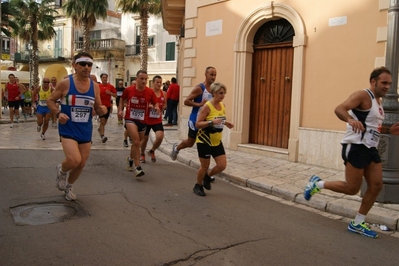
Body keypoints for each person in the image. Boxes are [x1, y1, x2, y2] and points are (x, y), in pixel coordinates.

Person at [304, 66, 399, 238]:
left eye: (390, 84)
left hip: (370, 148)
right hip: (355, 147)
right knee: (351, 188)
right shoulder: (363, 95)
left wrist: (388, 130)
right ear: (373, 81)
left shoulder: (379, 102)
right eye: (384, 83)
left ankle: (357, 223)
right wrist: (350, 119)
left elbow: (373, 127)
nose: (387, 87)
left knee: (377, 185)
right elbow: (339, 108)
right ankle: (316, 184)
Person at [47, 52, 107, 201]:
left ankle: (68, 187)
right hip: (68, 127)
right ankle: (61, 170)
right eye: (82, 64)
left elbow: (98, 107)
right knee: (74, 160)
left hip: (85, 129)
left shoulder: (95, 86)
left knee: (81, 163)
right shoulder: (66, 83)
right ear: (75, 66)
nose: (86, 67)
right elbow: (50, 100)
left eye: (89, 64)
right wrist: (58, 113)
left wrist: (102, 110)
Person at [170, 67, 217, 183]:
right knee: (190, 142)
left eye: (215, 75)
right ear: (205, 74)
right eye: (211, 74)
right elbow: (186, 101)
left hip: (207, 122)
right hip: (196, 120)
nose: (213, 77)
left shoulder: (215, 89)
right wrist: (200, 104)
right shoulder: (199, 88)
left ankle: (205, 173)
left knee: (206, 146)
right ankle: (177, 148)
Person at [193, 82, 234, 196]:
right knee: (204, 166)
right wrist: (211, 122)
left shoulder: (222, 106)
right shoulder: (207, 106)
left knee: (222, 165)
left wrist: (226, 123)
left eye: (224, 93)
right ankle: (198, 185)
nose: (223, 95)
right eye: (221, 93)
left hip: (216, 141)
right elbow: (198, 124)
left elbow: (219, 120)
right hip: (204, 140)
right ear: (214, 93)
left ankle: (207, 176)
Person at [118, 70, 160, 177]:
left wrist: (156, 107)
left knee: (137, 143)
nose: (144, 81)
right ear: (136, 79)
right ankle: (138, 167)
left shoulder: (149, 92)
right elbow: (121, 99)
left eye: (146, 79)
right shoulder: (129, 90)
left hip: (143, 120)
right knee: (136, 141)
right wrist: (120, 110)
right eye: (141, 78)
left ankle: (131, 159)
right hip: (130, 119)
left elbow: (155, 102)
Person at [140, 75, 167, 163]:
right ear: (153, 83)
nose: (159, 84)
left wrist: (163, 107)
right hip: (147, 119)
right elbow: (143, 103)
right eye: (157, 82)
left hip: (157, 119)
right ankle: (142, 153)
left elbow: (165, 104)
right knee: (145, 139)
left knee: (160, 136)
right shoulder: (148, 92)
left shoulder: (164, 93)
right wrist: (151, 106)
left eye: (160, 83)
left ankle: (152, 151)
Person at [98, 73, 117, 143]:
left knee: (104, 122)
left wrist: (110, 93)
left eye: (106, 77)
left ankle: (100, 129)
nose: (105, 79)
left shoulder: (110, 86)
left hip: (108, 106)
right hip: (100, 106)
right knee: (102, 121)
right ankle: (103, 136)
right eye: (103, 77)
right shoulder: (98, 86)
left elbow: (116, 95)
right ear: (101, 78)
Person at [123, 80, 136, 148]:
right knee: (128, 128)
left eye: (135, 84)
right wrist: (126, 105)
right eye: (133, 84)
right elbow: (123, 101)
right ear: (131, 84)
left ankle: (132, 138)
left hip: (137, 114)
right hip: (129, 113)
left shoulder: (139, 91)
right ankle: (125, 139)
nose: (134, 85)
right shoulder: (128, 91)